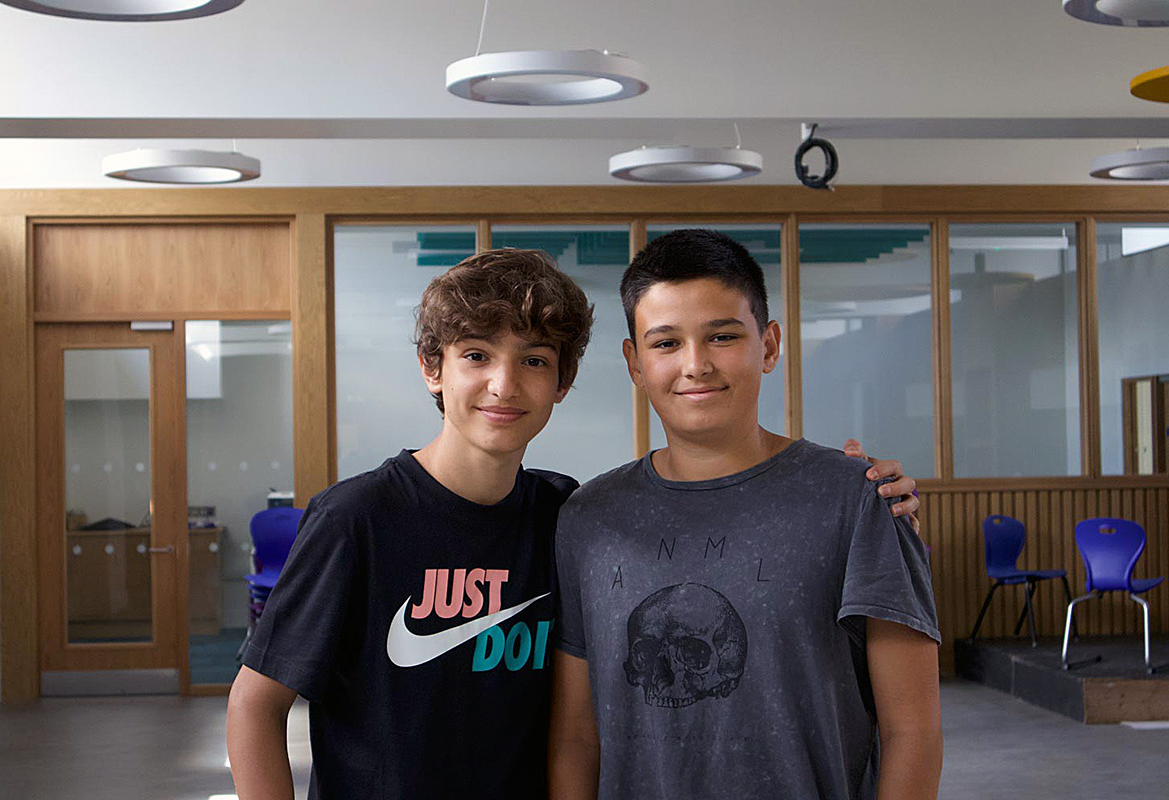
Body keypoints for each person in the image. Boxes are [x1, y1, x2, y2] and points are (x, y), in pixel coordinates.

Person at [226, 247, 922, 800]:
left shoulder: (566, 513)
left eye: (533, 360)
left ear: (562, 383)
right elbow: (255, 706)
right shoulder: (358, 518)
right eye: (476, 355)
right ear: (432, 368)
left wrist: (862, 498)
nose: (504, 384)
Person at [548, 230, 942, 800]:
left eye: (723, 336)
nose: (696, 364)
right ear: (635, 362)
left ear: (769, 345)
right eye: (666, 343)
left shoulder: (860, 500)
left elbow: (914, 732)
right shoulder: (588, 519)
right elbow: (576, 737)